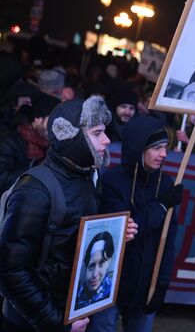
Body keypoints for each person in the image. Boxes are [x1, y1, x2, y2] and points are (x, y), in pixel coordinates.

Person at [0, 96, 112, 332]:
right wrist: (56, 322)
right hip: (32, 323)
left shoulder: (86, 178)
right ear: (70, 135)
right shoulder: (35, 190)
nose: (106, 140)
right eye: (97, 133)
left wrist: (115, 236)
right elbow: (10, 270)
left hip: (70, 314)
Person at [90, 116, 182, 332]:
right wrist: (160, 206)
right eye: (156, 148)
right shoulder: (111, 182)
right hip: (108, 285)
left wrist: (161, 283)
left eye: (166, 147)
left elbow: (168, 239)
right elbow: (123, 231)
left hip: (145, 286)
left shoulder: (167, 184)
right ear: (138, 147)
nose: (163, 154)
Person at [0, 93, 60, 193]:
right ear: (38, 120)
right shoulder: (10, 141)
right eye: (53, 120)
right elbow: (2, 180)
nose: (58, 127)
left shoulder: (54, 142)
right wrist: (36, 169)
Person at [75, 231, 115, 310]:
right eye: (91, 266)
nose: (95, 274)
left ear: (109, 262)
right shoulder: (76, 295)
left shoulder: (111, 294)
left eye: (101, 263)